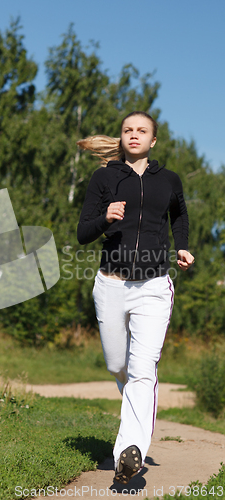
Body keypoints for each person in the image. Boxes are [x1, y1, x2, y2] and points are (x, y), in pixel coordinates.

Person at [76, 111, 194, 485]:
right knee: (118, 366)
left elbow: (180, 217)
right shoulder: (104, 178)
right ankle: (132, 429)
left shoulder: (169, 180)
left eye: (142, 130)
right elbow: (82, 232)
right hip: (111, 284)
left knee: (143, 372)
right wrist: (105, 218)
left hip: (154, 287)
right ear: (121, 137)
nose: (134, 135)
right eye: (128, 130)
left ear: (153, 140)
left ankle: (130, 453)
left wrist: (183, 247)